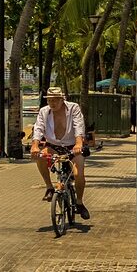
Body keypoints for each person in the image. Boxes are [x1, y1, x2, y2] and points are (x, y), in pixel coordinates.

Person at [31, 87, 90, 220]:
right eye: (50, 100)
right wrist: (34, 146)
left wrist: (79, 144)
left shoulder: (73, 108)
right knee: (39, 157)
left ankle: (79, 202)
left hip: (72, 147)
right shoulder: (44, 112)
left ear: (62, 99)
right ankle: (49, 187)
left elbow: (78, 126)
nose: (52, 103)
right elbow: (38, 128)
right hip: (53, 145)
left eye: (55, 100)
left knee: (78, 174)